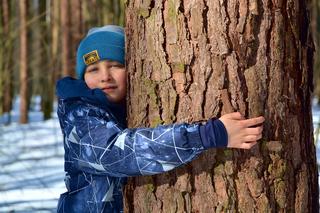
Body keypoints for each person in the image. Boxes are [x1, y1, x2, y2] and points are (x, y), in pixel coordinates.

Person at [55, 25, 265, 212]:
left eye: (115, 65)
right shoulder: (80, 113)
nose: (104, 76)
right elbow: (119, 153)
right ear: (82, 77)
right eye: (93, 69)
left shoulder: (120, 109)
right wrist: (208, 135)